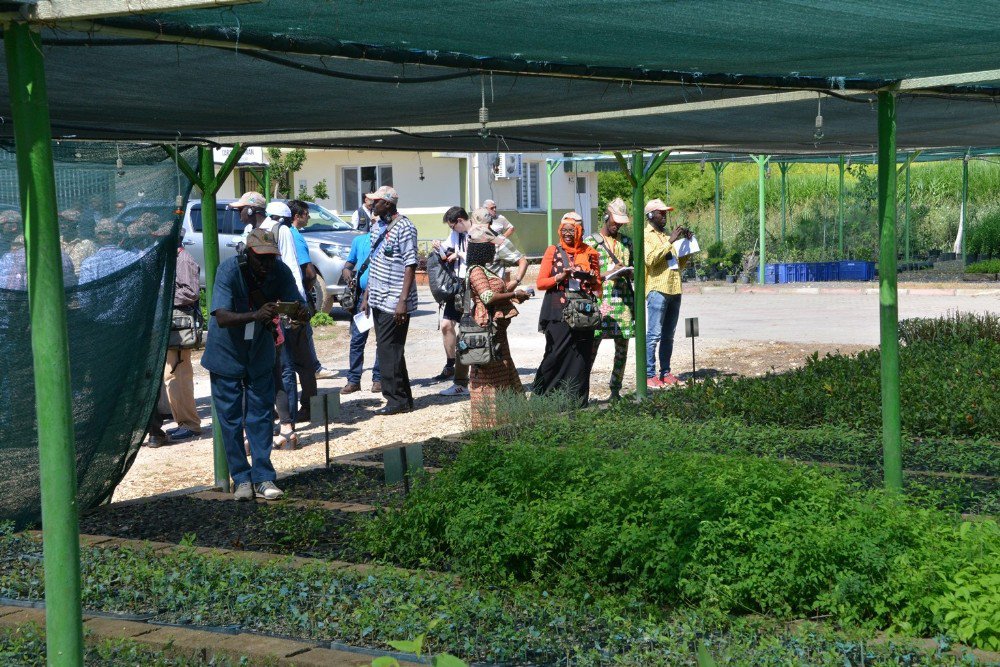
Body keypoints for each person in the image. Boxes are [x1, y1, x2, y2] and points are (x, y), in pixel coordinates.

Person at [201, 226, 308, 501]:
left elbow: (297, 303)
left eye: (272, 257)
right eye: (262, 258)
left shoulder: (280, 272)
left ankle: (263, 477)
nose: (267, 264)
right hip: (226, 353)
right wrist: (256, 314)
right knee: (231, 420)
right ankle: (241, 478)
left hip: (259, 352)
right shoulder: (229, 271)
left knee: (260, 416)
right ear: (249, 254)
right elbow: (222, 317)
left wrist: (301, 312)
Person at [533, 212, 601, 406]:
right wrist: (560, 277)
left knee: (580, 356)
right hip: (557, 309)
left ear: (580, 231)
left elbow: (597, 284)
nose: (568, 234)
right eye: (565, 230)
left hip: (582, 311)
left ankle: (575, 401)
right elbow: (541, 283)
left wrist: (588, 276)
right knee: (555, 354)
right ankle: (542, 399)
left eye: (573, 230)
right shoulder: (553, 251)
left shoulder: (590, 252)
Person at [360, 185, 418, 416]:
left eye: (376, 201)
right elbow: (374, 263)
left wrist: (402, 301)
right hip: (377, 297)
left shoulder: (405, 227)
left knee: (388, 349)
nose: (372, 204)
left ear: (388, 204)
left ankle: (395, 400)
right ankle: (402, 397)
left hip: (395, 299)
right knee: (391, 350)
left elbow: (410, 264)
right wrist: (366, 296)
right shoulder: (377, 226)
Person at [464, 227, 530, 428]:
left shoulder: (484, 268)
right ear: (481, 249)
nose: (494, 251)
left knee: (503, 371)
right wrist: (514, 295)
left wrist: (516, 286)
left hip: (497, 331)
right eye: (491, 247)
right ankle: (489, 424)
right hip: (486, 330)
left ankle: (508, 421)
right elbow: (487, 297)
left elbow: (495, 291)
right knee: (489, 375)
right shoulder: (476, 270)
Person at [585, 197, 635, 400]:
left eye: (621, 223)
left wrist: (628, 273)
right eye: (615, 222)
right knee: (592, 347)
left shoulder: (626, 243)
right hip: (600, 301)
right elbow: (586, 274)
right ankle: (583, 390)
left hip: (623, 302)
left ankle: (616, 389)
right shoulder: (590, 243)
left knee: (622, 349)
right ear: (606, 217)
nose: (617, 226)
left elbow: (634, 269)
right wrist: (607, 273)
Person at [643, 198, 691, 388]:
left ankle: (665, 372)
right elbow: (650, 259)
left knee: (668, 335)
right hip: (658, 289)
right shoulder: (647, 235)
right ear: (650, 215)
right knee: (654, 334)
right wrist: (670, 241)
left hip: (674, 288)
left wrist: (687, 245)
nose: (664, 216)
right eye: (661, 213)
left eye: (665, 213)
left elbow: (679, 264)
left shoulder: (665, 235)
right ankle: (648, 374)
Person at [162, 228, 203, 441]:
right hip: (172, 327)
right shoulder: (175, 259)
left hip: (179, 328)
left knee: (178, 376)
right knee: (172, 376)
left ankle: (190, 424)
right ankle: (184, 422)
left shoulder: (183, 260)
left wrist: (164, 294)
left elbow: (191, 293)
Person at [433, 206, 472, 396]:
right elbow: (447, 252)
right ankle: (451, 364)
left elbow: (482, 256)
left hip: (472, 284)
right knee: (447, 325)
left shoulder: (476, 232)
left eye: (452, 226)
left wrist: (461, 254)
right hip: (456, 285)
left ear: (460, 221)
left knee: (468, 329)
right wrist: (439, 247)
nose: (452, 230)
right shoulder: (456, 236)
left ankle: (466, 376)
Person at [340, 222, 382, 394]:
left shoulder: (386, 240)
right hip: (361, 296)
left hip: (380, 295)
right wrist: (347, 273)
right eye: (372, 222)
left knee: (382, 339)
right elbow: (349, 264)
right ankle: (354, 380)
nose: (374, 225)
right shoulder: (359, 241)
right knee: (357, 339)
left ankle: (378, 379)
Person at [59, 208, 96, 274]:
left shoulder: (87, 244)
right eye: (61, 221)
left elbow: (93, 268)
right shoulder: (55, 243)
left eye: (66, 223)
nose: (62, 226)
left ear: (75, 224)